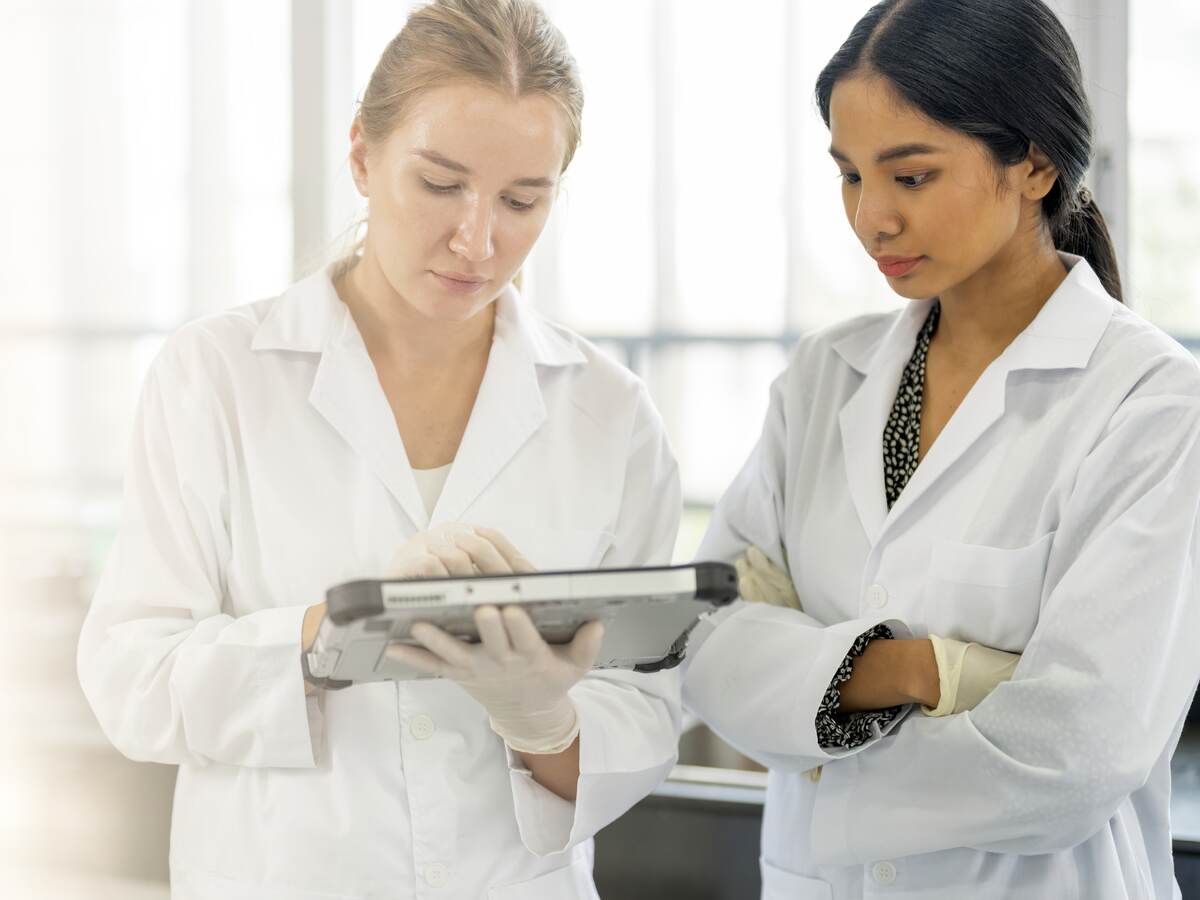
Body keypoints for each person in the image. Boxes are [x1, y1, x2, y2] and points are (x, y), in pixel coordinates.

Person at [76, 2, 681, 897]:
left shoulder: (610, 413)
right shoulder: (216, 377)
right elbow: (132, 679)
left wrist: (544, 721)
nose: (479, 240)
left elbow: (649, 712)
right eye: (440, 184)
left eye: (522, 200)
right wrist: (335, 634)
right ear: (362, 154)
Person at [682, 1, 1200, 898]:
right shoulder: (824, 380)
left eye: (911, 177)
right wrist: (923, 670)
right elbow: (704, 639)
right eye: (849, 176)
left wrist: (811, 710)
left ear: (1034, 162)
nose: (870, 218)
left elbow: (1078, 754)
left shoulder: (1149, 406)